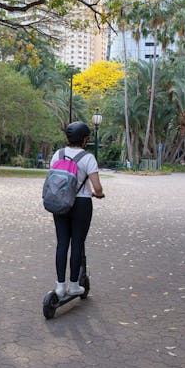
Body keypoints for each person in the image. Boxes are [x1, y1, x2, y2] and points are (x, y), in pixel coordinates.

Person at [50, 121, 104, 298]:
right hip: (81, 203)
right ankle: (74, 285)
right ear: (84, 140)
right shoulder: (88, 158)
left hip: (60, 203)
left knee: (62, 243)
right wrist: (99, 194)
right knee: (77, 244)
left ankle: (59, 286)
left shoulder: (58, 155)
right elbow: (97, 186)